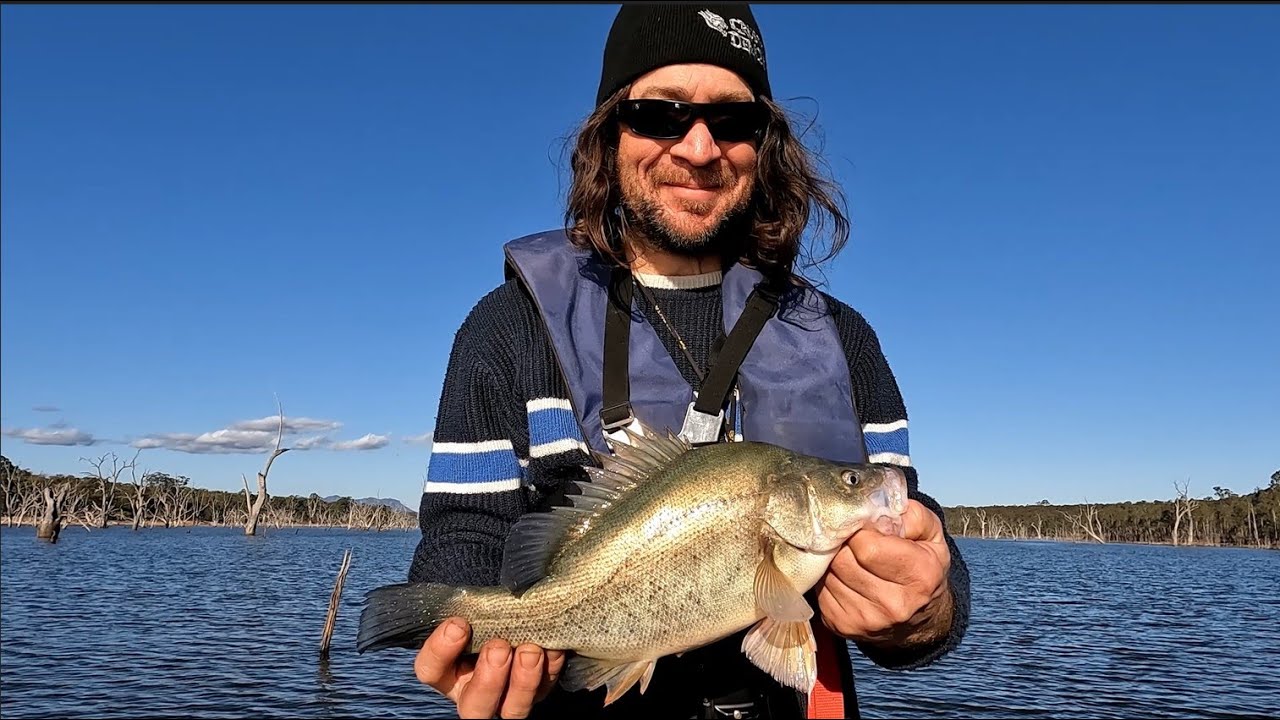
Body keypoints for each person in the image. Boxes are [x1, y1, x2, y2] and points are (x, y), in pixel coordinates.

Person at [406, 4, 970, 718]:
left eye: (734, 121)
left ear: (766, 144)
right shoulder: (505, 328)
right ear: (609, 133)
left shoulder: (842, 338)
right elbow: (465, 534)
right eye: (660, 115)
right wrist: (462, 636)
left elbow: (919, 541)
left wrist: (929, 608)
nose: (700, 149)